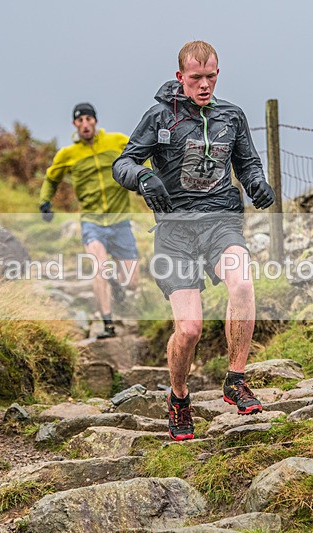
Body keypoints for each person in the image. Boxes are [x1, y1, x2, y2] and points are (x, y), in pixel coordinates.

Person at [113, 41, 275, 440]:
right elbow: (123, 163)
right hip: (175, 231)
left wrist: (256, 182)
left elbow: (247, 162)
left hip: (222, 222)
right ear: (179, 76)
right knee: (189, 330)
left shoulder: (231, 116)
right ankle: (179, 397)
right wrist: (143, 177)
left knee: (242, 283)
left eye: (211, 76)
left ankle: (235, 379)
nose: (204, 85)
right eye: (196, 77)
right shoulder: (159, 117)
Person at [40, 102, 139, 339]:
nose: (85, 124)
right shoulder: (68, 155)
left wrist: (143, 179)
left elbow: (140, 155)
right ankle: (107, 322)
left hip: (120, 219)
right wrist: (45, 202)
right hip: (92, 221)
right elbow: (51, 178)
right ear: (75, 124)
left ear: (95, 121)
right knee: (99, 268)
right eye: (80, 120)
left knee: (132, 282)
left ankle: (117, 285)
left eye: (89, 119)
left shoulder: (116, 141)